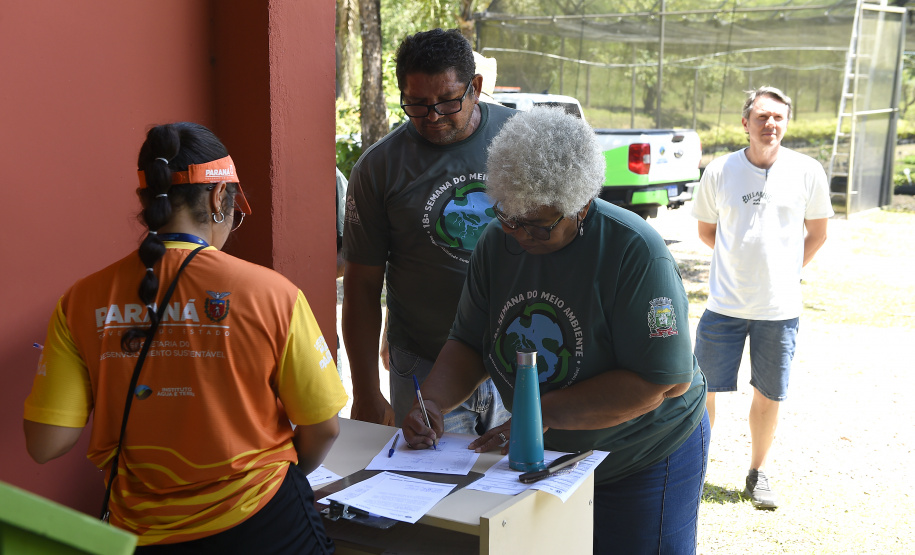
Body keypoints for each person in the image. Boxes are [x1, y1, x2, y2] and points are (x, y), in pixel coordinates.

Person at [23, 122, 348, 553]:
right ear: (219, 197)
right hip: (264, 522)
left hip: (143, 532)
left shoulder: (81, 300)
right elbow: (322, 428)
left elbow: (46, 443)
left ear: (146, 200)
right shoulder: (273, 294)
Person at [402, 106, 710, 554]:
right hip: (546, 458)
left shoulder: (634, 250)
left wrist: (536, 417)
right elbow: (469, 341)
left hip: (640, 453)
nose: (521, 235)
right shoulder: (496, 242)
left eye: (540, 226)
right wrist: (431, 401)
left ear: (581, 206)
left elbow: (660, 382)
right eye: (510, 218)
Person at [342, 28, 513, 433]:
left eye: (448, 101)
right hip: (424, 362)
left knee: (518, 490)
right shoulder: (378, 168)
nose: (433, 117)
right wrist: (366, 392)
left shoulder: (521, 140)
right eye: (417, 104)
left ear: (475, 87)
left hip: (518, 360)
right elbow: (362, 286)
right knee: (428, 491)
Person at [691, 86, 833, 509]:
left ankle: (758, 473)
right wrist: (740, 263)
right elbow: (706, 232)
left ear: (787, 122)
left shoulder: (807, 171)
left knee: (769, 395)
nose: (770, 125)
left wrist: (784, 272)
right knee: (702, 392)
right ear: (745, 123)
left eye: (778, 117)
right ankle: (695, 469)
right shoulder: (719, 171)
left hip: (780, 309)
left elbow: (819, 233)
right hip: (723, 305)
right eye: (762, 117)